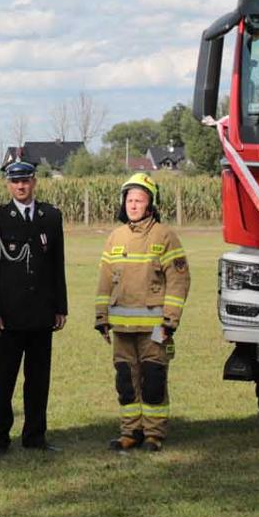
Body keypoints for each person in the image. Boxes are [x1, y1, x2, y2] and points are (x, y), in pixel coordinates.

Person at [94, 174, 190, 452]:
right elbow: (104, 280)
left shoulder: (165, 236)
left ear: (150, 204)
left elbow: (179, 280)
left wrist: (170, 320)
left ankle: (153, 434)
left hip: (155, 329)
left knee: (153, 380)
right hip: (122, 329)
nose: (133, 205)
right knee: (126, 380)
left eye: (139, 200)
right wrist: (101, 317)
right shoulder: (115, 237)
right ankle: (130, 432)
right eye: (129, 200)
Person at [0, 160, 67, 455]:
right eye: (15, 181)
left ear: (34, 182)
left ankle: (35, 435)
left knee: (38, 379)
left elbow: (57, 265)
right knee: (3, 379)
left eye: (26, 181)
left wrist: (60, 306)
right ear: (8, 184)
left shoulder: (51, 216)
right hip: (9, 315)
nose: (21, 186)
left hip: (42, 313)